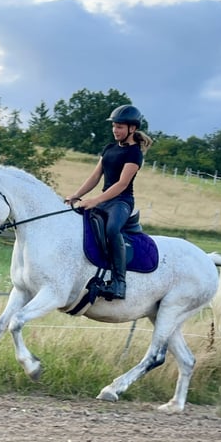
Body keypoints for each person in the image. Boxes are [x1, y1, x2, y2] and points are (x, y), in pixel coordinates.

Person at [64, 104, 153, 299]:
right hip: (105, 199)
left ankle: (119, 283)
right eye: (114, 126)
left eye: (120, 127)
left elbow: (121, 184)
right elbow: (95, 176)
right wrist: (76, 195)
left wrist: (95, 200)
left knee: (112, 229)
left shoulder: (134, 153)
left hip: (121, 201)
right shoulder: (109, 148)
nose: (115, 130)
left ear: (132, 128)